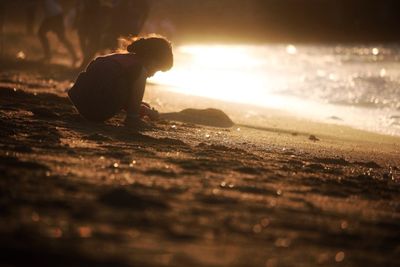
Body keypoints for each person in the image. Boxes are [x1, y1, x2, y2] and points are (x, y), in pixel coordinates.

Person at [68, 35, 173, 129]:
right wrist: (137, 112)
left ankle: (138, 112)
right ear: (151, 58)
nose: (153, 74)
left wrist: (145, 110)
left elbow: (110, 90)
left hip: (81, 102)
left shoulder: (117, 59)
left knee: (140, 102)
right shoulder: (139, 69)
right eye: (156, 68)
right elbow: (124, 96)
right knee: (140, 77)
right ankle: (133, 119)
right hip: (98, 110)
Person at [38, 0, 78, 66]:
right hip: (54, 16)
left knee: (61, 37)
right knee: (61, 37)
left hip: (54, 16)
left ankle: (48, 55)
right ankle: (74, 56)